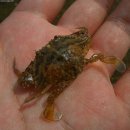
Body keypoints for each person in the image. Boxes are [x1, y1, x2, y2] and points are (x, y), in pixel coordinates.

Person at [0, 0, 130, 129]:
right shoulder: (79, 52)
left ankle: (48, 108)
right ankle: (47, 109)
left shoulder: (76, 49)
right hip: (60, 69)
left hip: (63, 67)